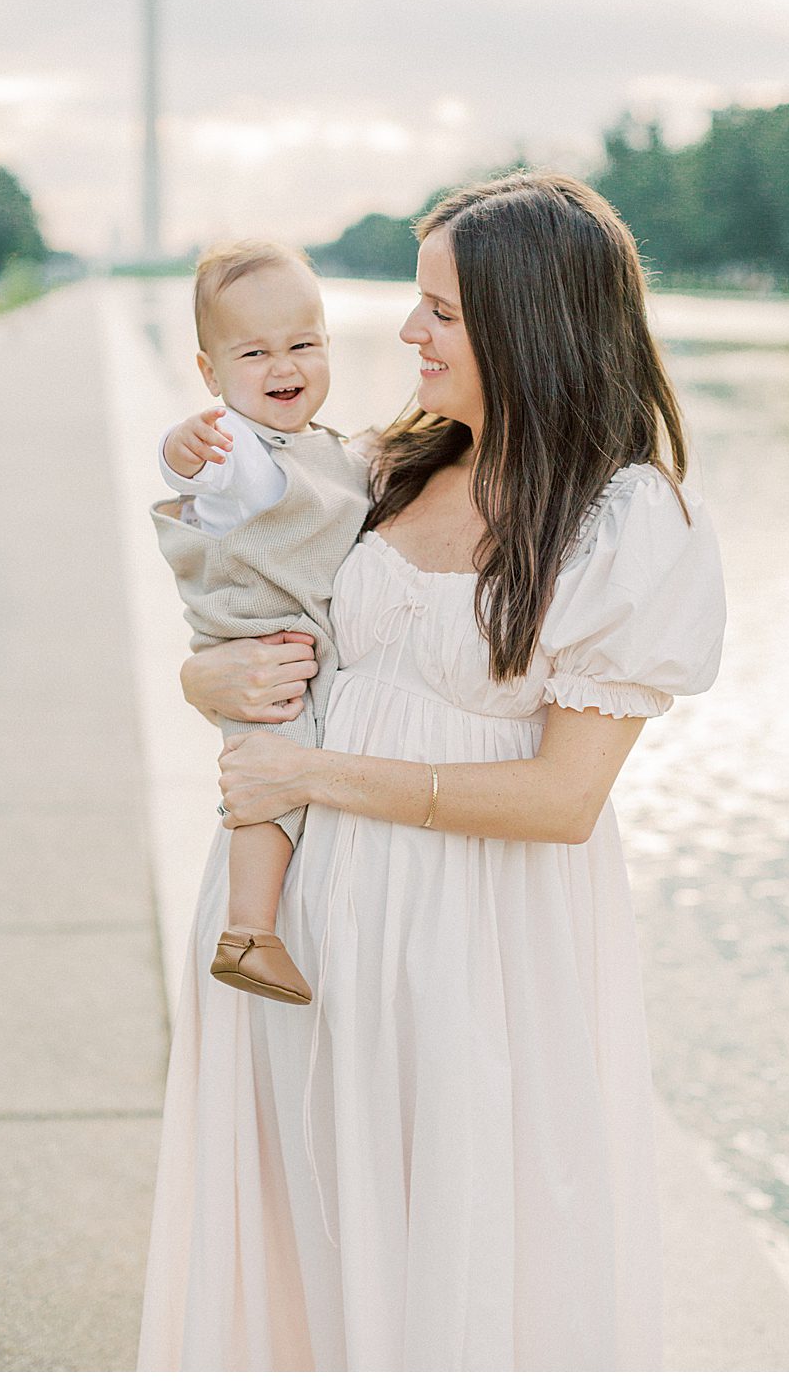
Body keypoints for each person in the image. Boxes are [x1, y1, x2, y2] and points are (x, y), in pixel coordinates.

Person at [138, 171, 726, 1371]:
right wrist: (209, 685)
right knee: (310, 1244)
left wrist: (318, 769)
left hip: (473, 954)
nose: (406, 333)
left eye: (442, 311)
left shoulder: (621, 520)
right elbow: (253, 608)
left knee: (460, 1263)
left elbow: (563, 802)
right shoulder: (379, 466)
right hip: (299, 935)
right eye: (417, 303)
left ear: (531, 321)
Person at [152, 240, 369, 1004]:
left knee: (282, 772)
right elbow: (200, 471)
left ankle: (259, 927)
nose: (285, 368)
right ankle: (248, 933)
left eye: (303, 345)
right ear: (211, 374)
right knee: (267, 780)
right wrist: (183, 449)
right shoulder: (237, 444)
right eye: (256, 353)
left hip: (287, 650)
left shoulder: (322, 445)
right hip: (259, 650)